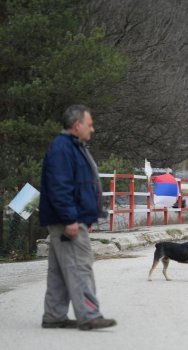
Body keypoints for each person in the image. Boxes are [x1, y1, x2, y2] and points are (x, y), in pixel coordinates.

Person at [39, 105, 116, 331]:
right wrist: (70, 219)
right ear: (77, 125)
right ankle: (89, 315)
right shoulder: (63, 149)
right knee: (80, 266)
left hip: (67, 219)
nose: (92, 129)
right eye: (89, 124)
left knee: (59, 271)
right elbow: (59, 187)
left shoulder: (71, 147)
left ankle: (54, 315)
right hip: (68, 221)